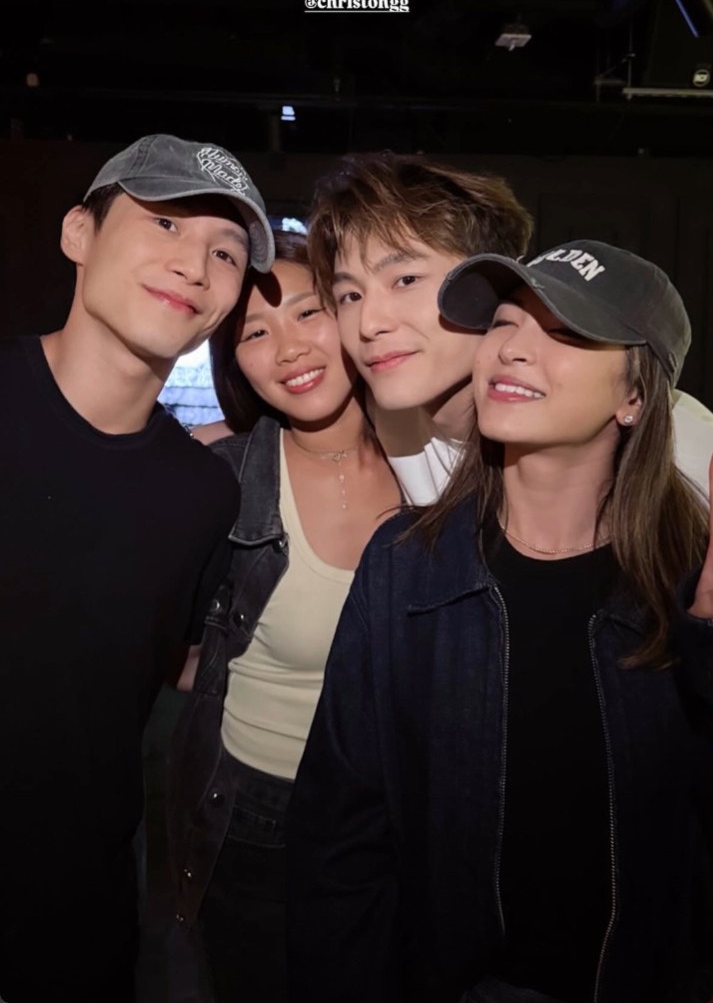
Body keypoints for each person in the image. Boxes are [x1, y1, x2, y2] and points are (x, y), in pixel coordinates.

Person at [287, 238, 713, 1003]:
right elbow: (338, 836)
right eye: (505, 322)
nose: (512, 348)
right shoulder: (404, 563)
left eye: (565, 331)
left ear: (634, 396)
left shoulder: (690, 588)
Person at [0, 133, 274, 1003]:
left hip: (77, 926)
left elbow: (158, 670)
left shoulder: (202, 493)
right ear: (78, 232)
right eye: (164, 223)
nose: (194, 264)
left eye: (225, 252)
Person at [167, 230, 401, 1003]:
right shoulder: (223, 479)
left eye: (308, 312)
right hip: (255, 816)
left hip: (401, 812)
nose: (290, 348)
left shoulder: (439, 467)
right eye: (255, 333)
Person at [307, 151, 713, 504]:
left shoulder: (685, 446)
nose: (369, 324)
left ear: (490, 282)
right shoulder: (381, 410)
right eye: (350, 296)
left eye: (406, 280)